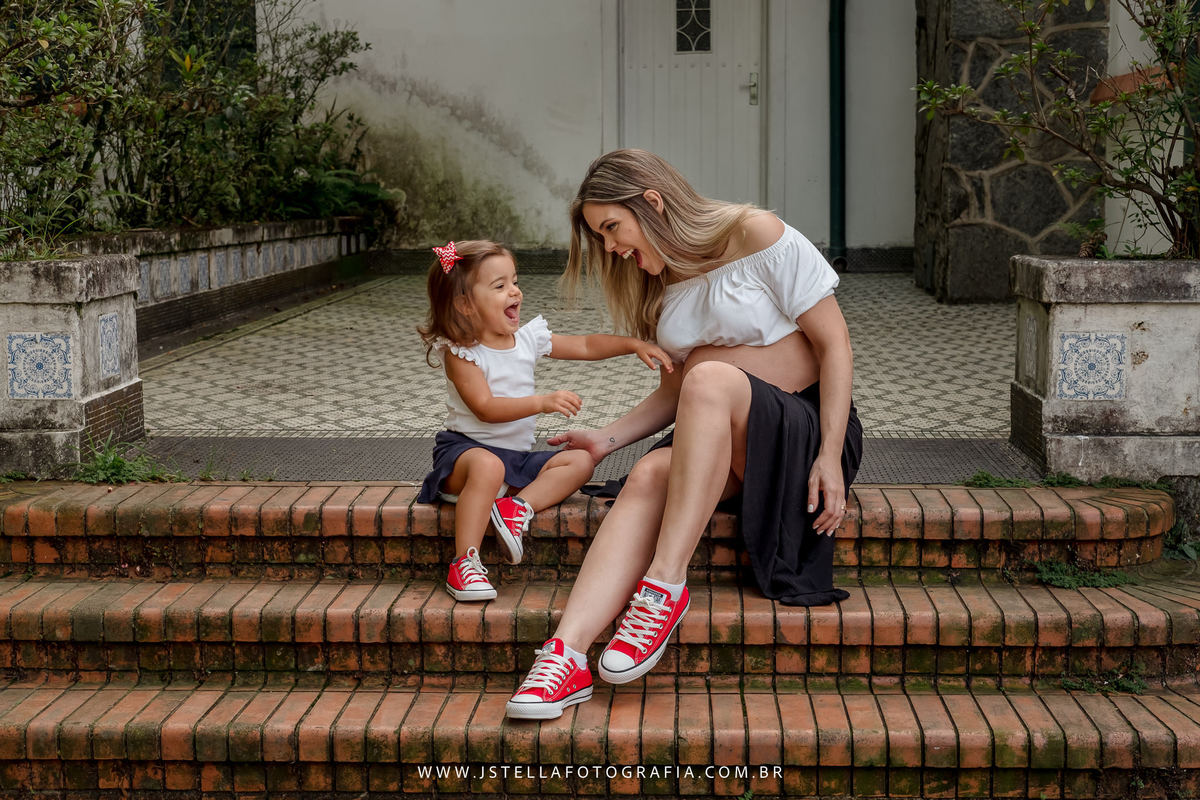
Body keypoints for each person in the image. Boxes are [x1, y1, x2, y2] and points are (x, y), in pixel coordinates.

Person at [505, 150, 863, 720]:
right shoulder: (660, 283)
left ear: (652, 202)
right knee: (650, 469)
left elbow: (834, 344)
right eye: (601, 237)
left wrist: (829, 455)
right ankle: (565, 655)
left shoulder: (756, 233)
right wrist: (606, 440)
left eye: (612, 228)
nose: (610, 247)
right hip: (723, 435)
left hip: (805, 426)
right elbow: (679, 392)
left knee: (710, 376)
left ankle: (664, 586)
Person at [417, 239, 672, 603]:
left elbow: (585, 345)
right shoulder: (462, 353)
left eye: (515, 281)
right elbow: (485, 408)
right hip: (465, 457)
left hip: (514, 462)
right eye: (500, 286)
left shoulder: (526, 339)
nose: (514, 291)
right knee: (488, 466)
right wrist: (542, 402)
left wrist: (632, 344)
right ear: (465, 305)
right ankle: (464, 563)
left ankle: (516, 508)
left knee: (581, 460)